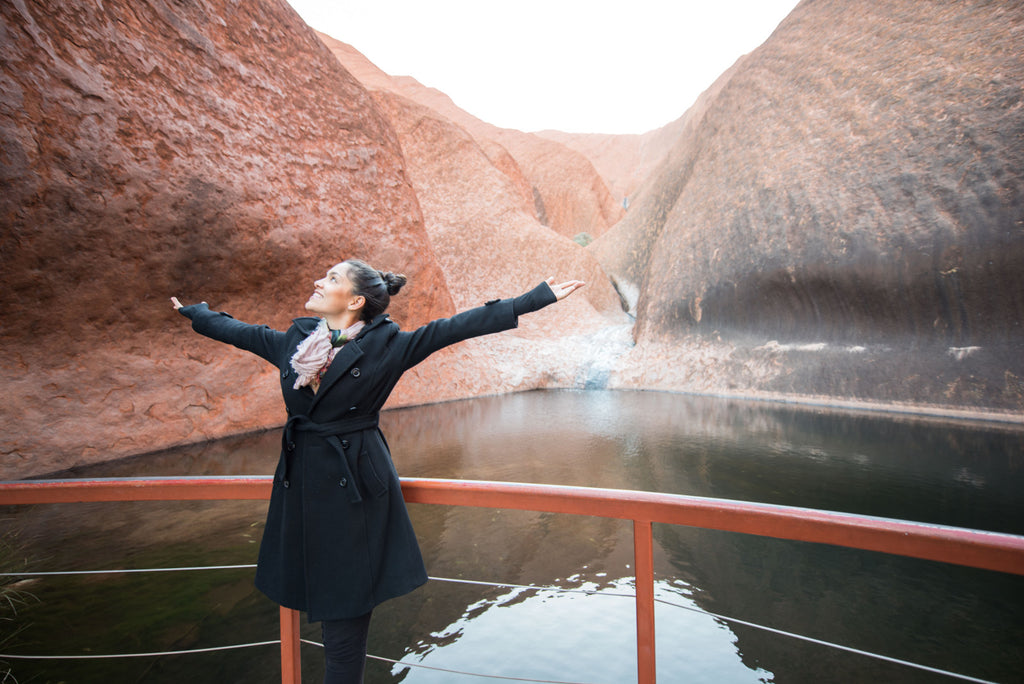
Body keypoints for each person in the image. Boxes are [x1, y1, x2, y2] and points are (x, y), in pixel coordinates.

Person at [171, 259, 585, 683]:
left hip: (356, 487)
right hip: (301, 488)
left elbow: (455, 327)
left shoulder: (389, 346)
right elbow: (242, 333)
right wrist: (198, 313)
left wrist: (533, 299)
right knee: (311, 591)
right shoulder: (296, 343)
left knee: (346, 615)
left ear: (354, 300)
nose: (318, 280)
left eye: (331, 278)